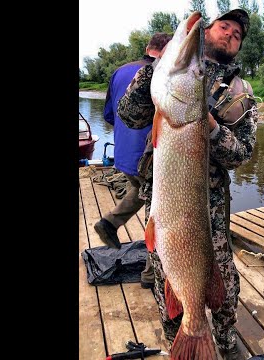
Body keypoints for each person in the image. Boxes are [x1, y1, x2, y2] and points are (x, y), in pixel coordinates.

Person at [117, 9, 258, 359]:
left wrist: (209, 126)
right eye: (224, 26)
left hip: (209, 205)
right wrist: (155, 67)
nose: (229, 34)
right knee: (167, 275)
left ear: (238, 47)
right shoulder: (169, 74)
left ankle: (223, 343)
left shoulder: (242, 94)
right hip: (166, 202)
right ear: (209, 31)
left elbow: (242, 154)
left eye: (237, 34)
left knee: (223, 281)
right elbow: (129, 116)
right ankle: (179, 338)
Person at [94, 32, 172, 289]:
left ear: (148, 47)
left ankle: (109, 223)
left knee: (139, 191)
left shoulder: (120, 71)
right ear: (165, 50)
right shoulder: (161, 74)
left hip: (124, 155)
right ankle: (151, 275)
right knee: (159, 213)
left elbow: (108, 114)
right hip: (149, 157)